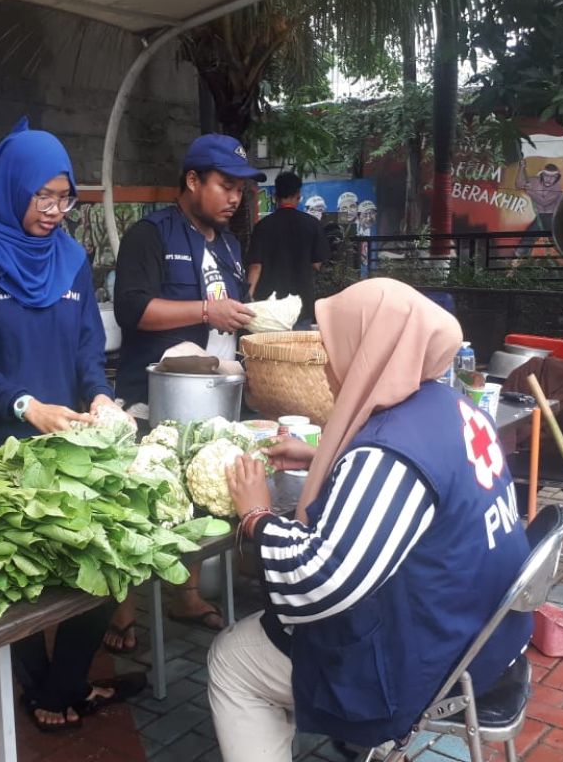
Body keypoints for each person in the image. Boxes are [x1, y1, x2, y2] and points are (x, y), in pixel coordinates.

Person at [208, 278, 534, 760]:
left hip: (425, 659)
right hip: (484, 632)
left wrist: (256, 514)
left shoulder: (389, 453)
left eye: (335, 345)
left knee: (231, 657)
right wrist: (322, 454)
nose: (329, 362)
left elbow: (320, 579)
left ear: (371, 350)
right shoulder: (456, 406)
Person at [0, 117, 142, 732]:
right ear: (10, 186)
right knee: (14, 579)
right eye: (42, 196)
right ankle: (50, 688)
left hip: (67, 442)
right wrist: (26, 407)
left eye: (64, 197)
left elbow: (85, 349)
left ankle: (58, 688)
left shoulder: (71, 256)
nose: (55, 211)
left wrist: (101, 398)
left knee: (103, 567)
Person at [107, 133, 263, 650]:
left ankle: (186, 594)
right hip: (153, 397)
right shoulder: (150, 235)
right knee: (140, 501)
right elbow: (133, 310)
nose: (234, 197)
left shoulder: (232, 246)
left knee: (199, 497)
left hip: (215, 397)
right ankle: (122, 615)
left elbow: (230, 317)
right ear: (192, 181)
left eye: (240, 188)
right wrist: (204, 310)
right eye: (225, 185)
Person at [246, 171, 329, 327]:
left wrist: (248, 297)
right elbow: (317, 264)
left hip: (270, 306)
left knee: (269, 350)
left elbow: (256, 266)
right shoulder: (312, 224)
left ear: (276, 196)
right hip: (301, 304)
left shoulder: (262, 227)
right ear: (298, 194)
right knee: (296, 350)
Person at [515, 162, 563, 257]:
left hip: (551, 217)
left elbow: (544, 202)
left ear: (557, 177)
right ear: (542, 175)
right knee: (527, 238)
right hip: (540, 217)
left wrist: (529, 191)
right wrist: (521, 168)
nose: (549, 179)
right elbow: (519, 184)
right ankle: (520, 257)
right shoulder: (534, 181)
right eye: (546, 176)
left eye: (552, 177)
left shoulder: (557, 188)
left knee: (557, 242)